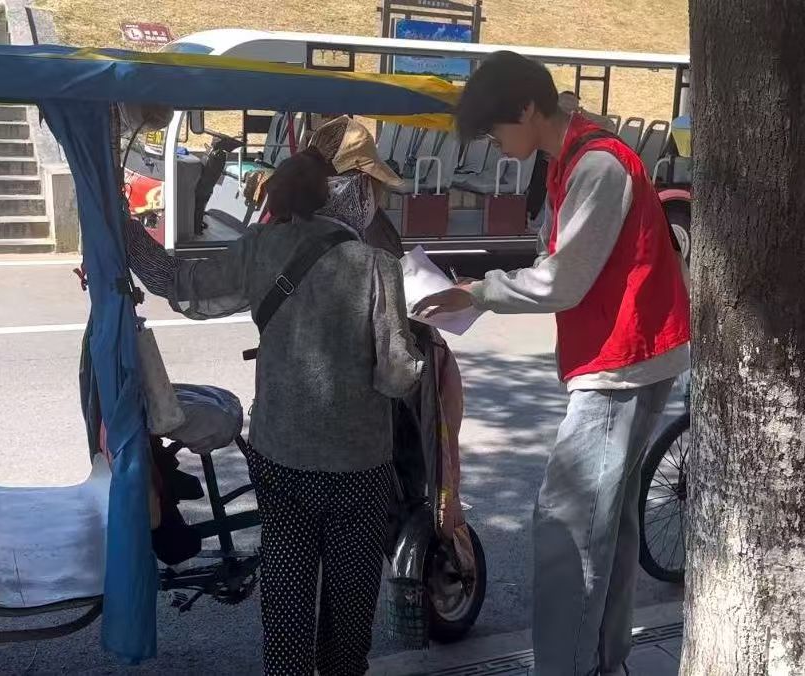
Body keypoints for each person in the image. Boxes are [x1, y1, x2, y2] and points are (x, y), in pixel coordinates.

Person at [415, 51, 691, 676]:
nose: (495, 146)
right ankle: (602, 660)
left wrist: (476, 293)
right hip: (632, 355)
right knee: (607, 525)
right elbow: (558, 263)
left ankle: (569, 666)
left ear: (527, 110)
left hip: (623, 361)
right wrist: (479, 289)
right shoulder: (572, 155)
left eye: (495, 132)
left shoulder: (595, 164)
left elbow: (560, 282)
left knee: (567, 527)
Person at [126, 116, 424, 675]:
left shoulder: (262, 245)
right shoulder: (377, 265)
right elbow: (395, 377)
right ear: (350, 189)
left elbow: (178, 283)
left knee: (286, 597)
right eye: (372, 186)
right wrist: (418, 359)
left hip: (281, 456)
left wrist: (122, 231)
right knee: (350, 609)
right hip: (359, 468)